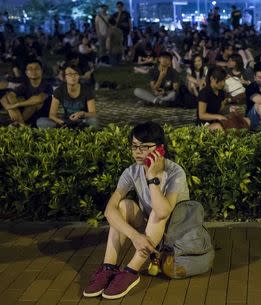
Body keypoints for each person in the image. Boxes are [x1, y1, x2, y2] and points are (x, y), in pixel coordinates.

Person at [82, 121, 190, 299]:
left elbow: (164, 212)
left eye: (145, 146)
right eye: (134, 146)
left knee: (157, 210)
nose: (138, 152)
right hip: (149, 231)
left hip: (174, 230)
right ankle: (109, 267)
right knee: (122, 205)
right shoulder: (132, 171)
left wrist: (151, 177)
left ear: (160, 149)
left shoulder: (175, 172)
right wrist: (135, 236)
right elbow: (109, 210)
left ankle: (131, 271)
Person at [37, 64, 98, 128]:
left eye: (75, 74)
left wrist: (82, 113)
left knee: (93, 121)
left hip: (82, 121)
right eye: (69, 74)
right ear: (64, 77)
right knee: (41, 122)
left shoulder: (87, 90)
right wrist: (61, 122)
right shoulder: (59, 91)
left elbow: (93, 113)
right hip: (66, 120)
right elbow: (52, 115)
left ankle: (78, 130)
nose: (73, 76)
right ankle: (68, 129)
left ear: (79, 76)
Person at [0, 59, 52, 126]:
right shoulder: (25, 84)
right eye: (30, 69)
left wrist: (16, 105)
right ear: (26, 73)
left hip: (41, 114)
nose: (33, 71)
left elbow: (39, 99)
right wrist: (8, 107)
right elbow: (4, 98)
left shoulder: (47, 84)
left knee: (34, 103)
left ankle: (18, 124)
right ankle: (21, 125)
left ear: (41, 71)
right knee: (9, 97)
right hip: (27, 115)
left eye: (36, 69)